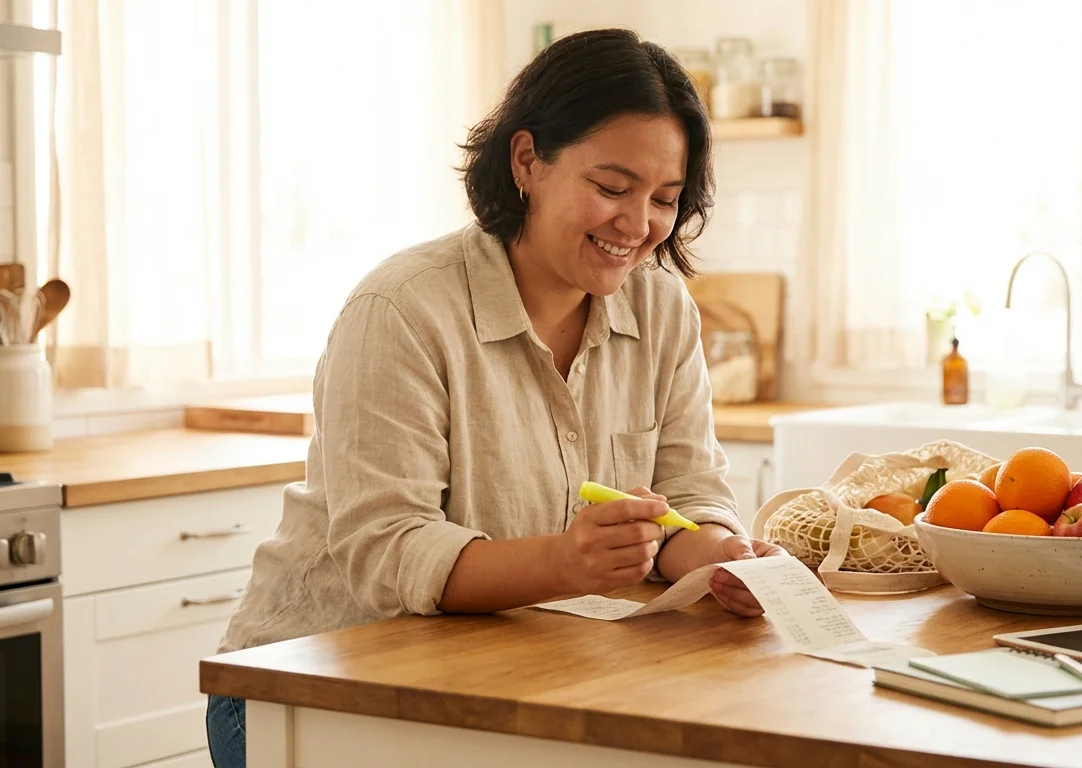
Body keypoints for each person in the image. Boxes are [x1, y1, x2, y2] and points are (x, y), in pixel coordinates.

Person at [204, 28, 785, 768]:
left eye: (664, 199)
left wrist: (719, 555)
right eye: (611, 188)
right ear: (527, 161)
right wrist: (570, 561)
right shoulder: (402, 309)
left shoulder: (662, 310)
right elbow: (390, 552)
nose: (637, 227)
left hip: (507, 672)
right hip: (311, 685)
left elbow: (689, 493)